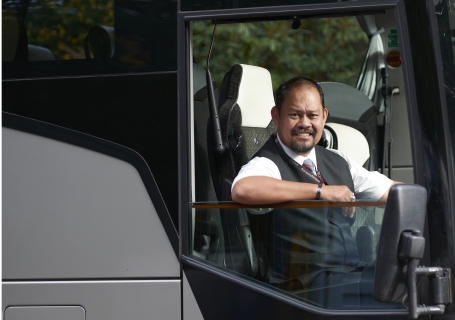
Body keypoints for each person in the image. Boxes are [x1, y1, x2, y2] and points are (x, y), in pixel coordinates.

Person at [231, 76, 401, 293]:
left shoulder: (339, 160)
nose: (305, 123)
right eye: (294, 115)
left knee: (408, 278)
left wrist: (429, 195)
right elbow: (243, 189)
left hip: (346, 278)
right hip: (300, 290)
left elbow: (388, 189)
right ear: (276, 116)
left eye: (313, 115)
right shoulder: (266, 163)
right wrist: (321, 192)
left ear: (324, 117)